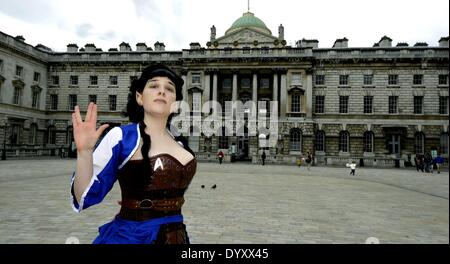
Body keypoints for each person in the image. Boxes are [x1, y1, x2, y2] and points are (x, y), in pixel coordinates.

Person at [70, 64, 196, 244]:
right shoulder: (122, 137)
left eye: (169, 89)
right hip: (133, 236)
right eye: (153, 86)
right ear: (139, 97)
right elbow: (84, 195)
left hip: (176, 236)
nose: (162, 92)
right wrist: (85, 152)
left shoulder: (180, 142)